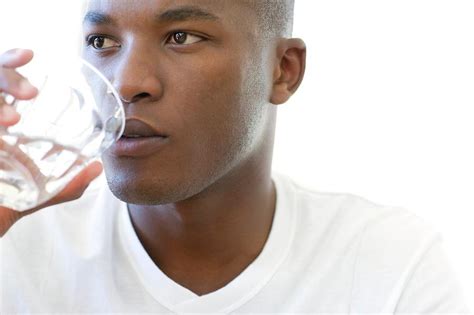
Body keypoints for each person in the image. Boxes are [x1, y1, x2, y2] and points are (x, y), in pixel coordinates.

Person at [0, 0, 470, 313]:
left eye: (182, 36)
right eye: (102, 42)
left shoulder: (389, 266)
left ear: (282, 71)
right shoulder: (18, 246)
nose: (125, 83)